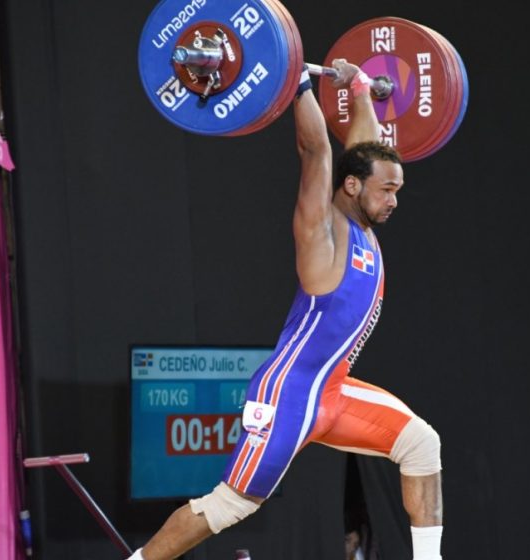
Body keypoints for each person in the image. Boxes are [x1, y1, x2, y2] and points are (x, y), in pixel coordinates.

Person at [127, 59, 443, 560]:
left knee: (422, 445)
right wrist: (298, 82)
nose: (395, 201)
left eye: (398, 190)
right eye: (388, 190)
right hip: (289, 395)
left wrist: (360, 88)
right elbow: (317, 150)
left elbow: (361, 151)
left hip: (334, 391)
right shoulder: (322, 232)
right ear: (355, 187)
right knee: (231, 505)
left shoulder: (363, 226)